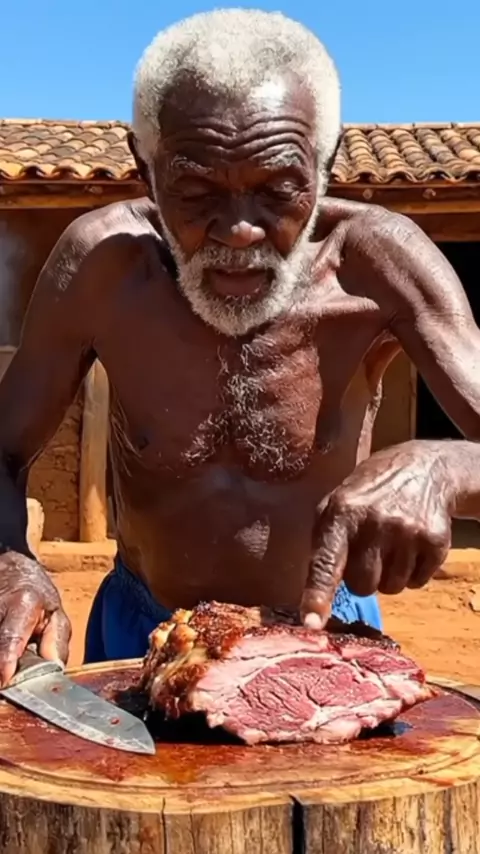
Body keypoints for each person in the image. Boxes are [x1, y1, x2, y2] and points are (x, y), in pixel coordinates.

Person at [0, 8, 479, 684]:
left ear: (324, 164)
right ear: (146, 168)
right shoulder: (102, 268)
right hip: (140, 629)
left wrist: (446, 467)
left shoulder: (380, 266)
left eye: (278, 191)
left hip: (320, 631)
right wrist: (9, 558)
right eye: (196, 191)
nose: (240, 232)